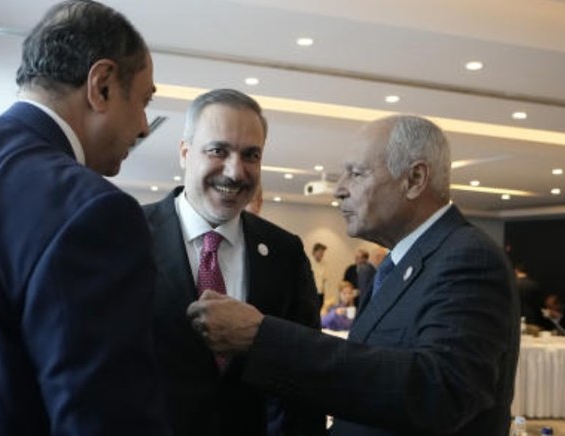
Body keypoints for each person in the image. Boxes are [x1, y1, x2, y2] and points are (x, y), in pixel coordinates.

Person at [0, 1, 169, 435]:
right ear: (101, 85)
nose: (142, 126)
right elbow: (105, 420)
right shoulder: (93, 210)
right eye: (143, 101)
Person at [188, 114, 519, 435]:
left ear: (415, 179)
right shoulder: (399, 266)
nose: (339, 189)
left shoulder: (467, 258)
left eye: (356, 174)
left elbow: (440, 392)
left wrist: (261, 337)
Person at [143, 88, 325, 436]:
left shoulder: (284, 252)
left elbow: (303, 375)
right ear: (185, 153)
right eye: (218, 151)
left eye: (251, 155)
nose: (235, 171)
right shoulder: (128, 235)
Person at [310, 242, 329, 311]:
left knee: (319, 310)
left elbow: (325, 280)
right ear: (315, 251)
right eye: (320, 252)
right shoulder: (309, 262)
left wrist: (327, 295)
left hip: (320, 293)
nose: (322, 254)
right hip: (311, 293)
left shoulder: (324, 263)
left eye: (323, 252)